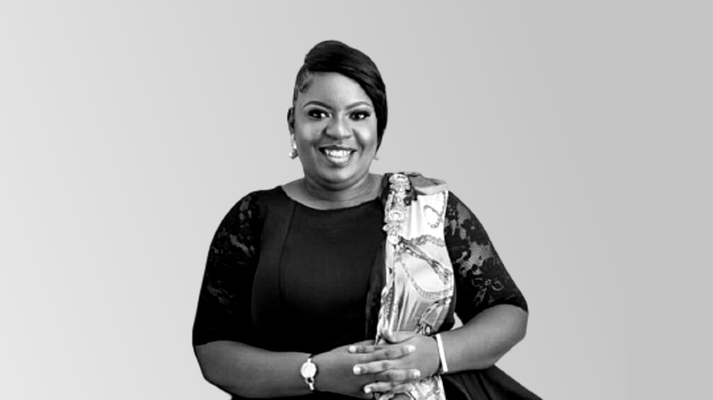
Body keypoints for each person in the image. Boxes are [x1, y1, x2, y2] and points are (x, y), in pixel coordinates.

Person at [193, 40, 539, 400]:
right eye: (318, 113)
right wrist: (316, 373)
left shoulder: (428, 207)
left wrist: (435, 354)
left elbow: (507, 311)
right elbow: (212, 350)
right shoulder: (252, 217)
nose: (338, 131)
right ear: (292, 123)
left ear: (379, 128)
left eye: (358, 115)